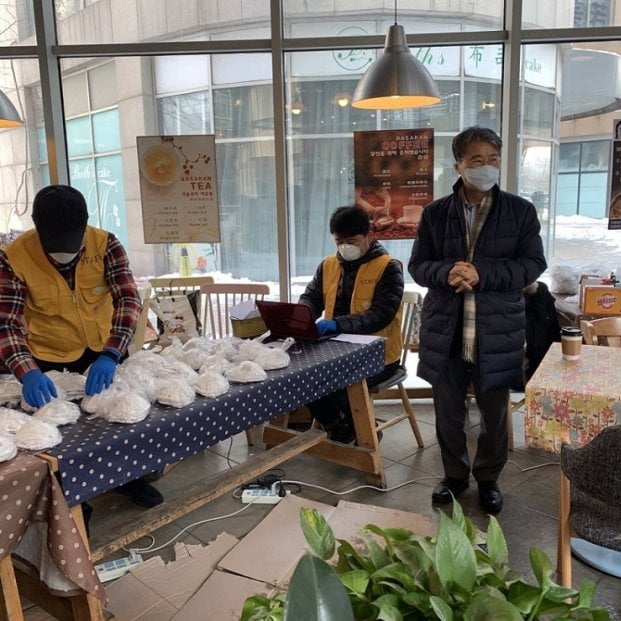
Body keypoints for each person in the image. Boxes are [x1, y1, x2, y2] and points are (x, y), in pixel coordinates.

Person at [408, 127, 546, 514]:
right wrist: (448, 272)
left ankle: (488, 479)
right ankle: (453, 476)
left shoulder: (520, 211)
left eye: (492, 159)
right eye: (476, 160)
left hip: (497, 331)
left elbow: (533, 264)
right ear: (459, 165)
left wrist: (481, 274)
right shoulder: (435, 213)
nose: (485, 167)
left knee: (494, 415)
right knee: (447, 412)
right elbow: (418, 266)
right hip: (446, 331)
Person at [0, 184, 163, 509]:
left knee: (118, 419)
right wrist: (26, 371)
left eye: (71, 246)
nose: (64, 255)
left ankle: (130, 478)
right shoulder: (14, 257)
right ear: (38, 227)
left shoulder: (105, 245)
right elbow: (6, 322)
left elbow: (128, 299)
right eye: (54, 247)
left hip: (104, 349)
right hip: (47, 357)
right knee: (63, 431)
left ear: (85, 224)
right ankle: (76, 502)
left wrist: (113, 353)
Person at [299, 206, 404, 443]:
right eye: (339, 241)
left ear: (369, 235)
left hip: (380, 355)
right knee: (300, 377)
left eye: (352, 240)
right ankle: (341, 425)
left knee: (336, 381)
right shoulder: (327, 265)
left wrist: (337, 324)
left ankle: (356, 429)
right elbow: (311, 297)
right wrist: (303, 315)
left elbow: (381, 314)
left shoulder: (389, 267)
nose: (345, 246)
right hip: (334, 349)